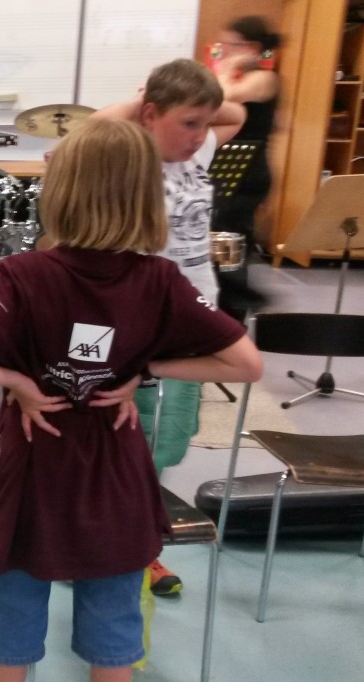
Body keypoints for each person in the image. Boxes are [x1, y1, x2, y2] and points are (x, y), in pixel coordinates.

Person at [0, 118, 263, 682]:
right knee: (114, 623)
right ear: (143, 196)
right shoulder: (159, 279)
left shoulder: (23, 275)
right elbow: (246, 363)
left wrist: (19, 382)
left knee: (14, 612)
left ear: (61, 192)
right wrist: (145, 370)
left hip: (36, 481)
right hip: (116, 481)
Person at [93, 58, 246, 596]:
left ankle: (137, 539)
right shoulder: (129, 154)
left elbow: (236, 113)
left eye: (203, 124)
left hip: (193, 316)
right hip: (140, 320)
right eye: (187, 123)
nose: (199, 134)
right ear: (150, 115)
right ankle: (112, 545)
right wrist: (143, 105)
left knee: (169, 438)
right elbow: (94, 127)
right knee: (125, 438)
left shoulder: (197, 149)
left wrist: (190, 108)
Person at [211, 16, 282, 310]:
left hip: (245, 170)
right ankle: (230, 294)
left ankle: (235, 302)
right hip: (229, 167)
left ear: (250, 47)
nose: (222, 50)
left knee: (229, 236)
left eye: (228, 45)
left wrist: (224, 67)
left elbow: (219, 97)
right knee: (222, 234)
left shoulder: (266, 78)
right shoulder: (247, 77)